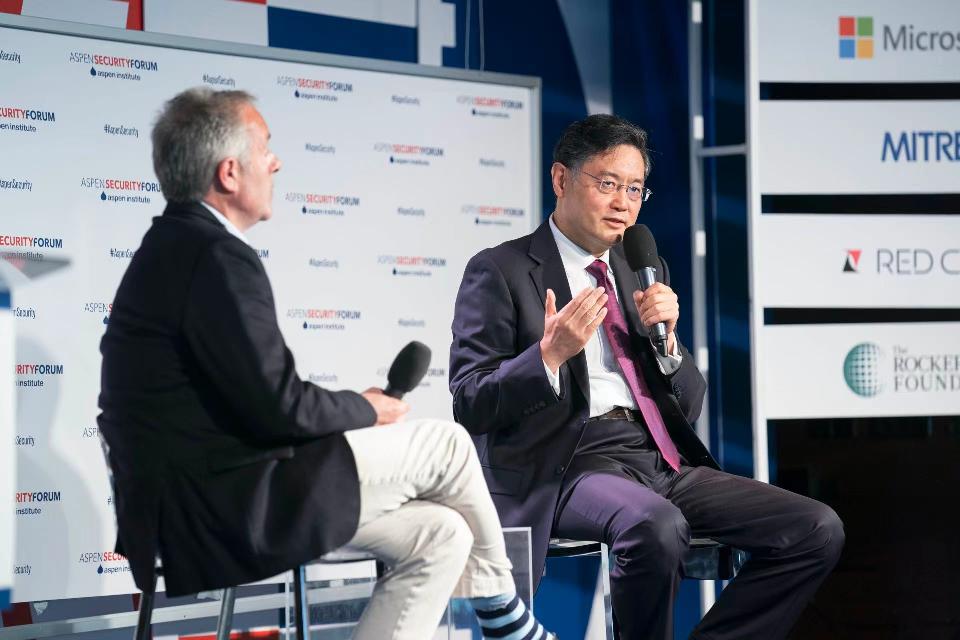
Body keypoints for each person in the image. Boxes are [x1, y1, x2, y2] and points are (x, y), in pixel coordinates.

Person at [98, 87, 556, 640]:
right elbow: (277, 406)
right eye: (264, 147)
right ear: (229, 173)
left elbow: (253, 400)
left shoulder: (173, 247)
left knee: (442, 534)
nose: (275, 162)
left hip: (193, 502)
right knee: (447, 444)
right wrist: (366, 409)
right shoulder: (214, 256)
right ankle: (505, 617)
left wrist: (353, 411)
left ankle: (499, 609)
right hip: (225, 505)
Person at [449, 113, 844, 640]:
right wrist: (548, 356)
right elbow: (470, 400)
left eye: (635, 189)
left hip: (657, 458)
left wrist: (669, 344)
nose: (623, 203)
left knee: (815, 529)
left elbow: (689, 405)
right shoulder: (501, 269)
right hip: (568, 463)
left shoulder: (639, 268)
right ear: (561, 179)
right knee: (655, 526)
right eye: (608, 184)